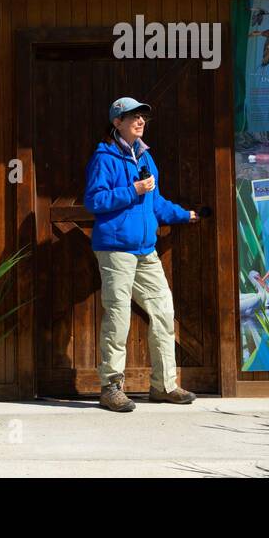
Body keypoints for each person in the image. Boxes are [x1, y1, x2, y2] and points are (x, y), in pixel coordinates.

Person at [83, 96, 199, 412]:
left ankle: (164, 386)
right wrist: (132, 190)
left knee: (163, 311)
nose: (140, 120)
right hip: (116, 250)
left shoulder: (147, 158)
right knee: (118, 317)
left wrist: (183, 215)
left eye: (143, 116)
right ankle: (111, 387)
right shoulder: (104, 158)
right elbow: (94, 202)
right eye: (132, 116)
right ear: (117, 122)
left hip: (146, 251)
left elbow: (156, 204)